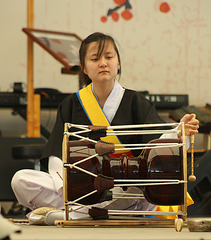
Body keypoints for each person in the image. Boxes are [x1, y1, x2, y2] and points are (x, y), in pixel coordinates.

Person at [11, 32, 199, 223]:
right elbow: (55, 154)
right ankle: (78, 212)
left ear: (118, 63)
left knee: (139, 191)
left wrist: (180, 131)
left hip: (125, 188)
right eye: (95, 58)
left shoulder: (136, 102)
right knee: (21, 180)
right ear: (84, 68)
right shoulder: (71, 104)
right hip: (79, 189)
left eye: (109, 57)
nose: (103, 63)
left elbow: (159, 146)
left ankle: (69, 214)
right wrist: (66, 189)